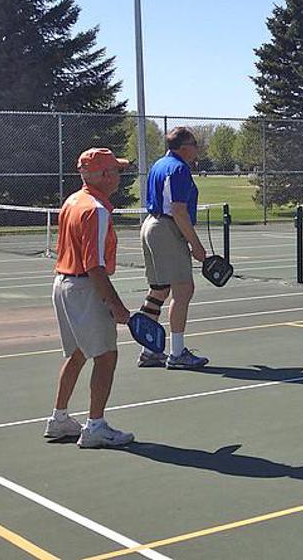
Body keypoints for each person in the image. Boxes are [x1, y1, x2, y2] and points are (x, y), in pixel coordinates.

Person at [44, 148, 135, 448]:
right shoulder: (96, 209)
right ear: (105, 174)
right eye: (116, 171)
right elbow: (94, 265)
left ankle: (59, 419)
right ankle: (95, 426)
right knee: (106, 356)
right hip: (84, 287)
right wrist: (116, 305)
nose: (119, 176)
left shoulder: (73, 201)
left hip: (63, 283)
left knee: (77, 353)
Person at [137, 126, 210, 369]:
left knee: (159, 291)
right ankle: (177, 353)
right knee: (183, 290)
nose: (197, 149)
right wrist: (196, 245)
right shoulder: (179, 169)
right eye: (194, 144)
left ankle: (149, 349)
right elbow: (178, 211)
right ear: (184, 147)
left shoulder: (159, 165)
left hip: (151, 225)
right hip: (166, 228)